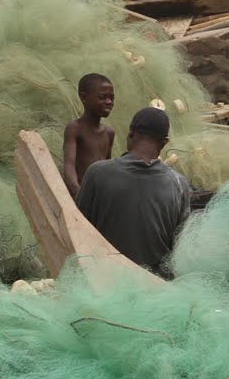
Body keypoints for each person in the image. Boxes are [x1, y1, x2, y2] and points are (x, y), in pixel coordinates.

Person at [76, 106, 191, 277]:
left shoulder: (97, 173)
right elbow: (179, 246)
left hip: (102, 278)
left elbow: (78, 228)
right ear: (164, 142)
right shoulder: (179, 184)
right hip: (156, 284)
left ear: (130, 135)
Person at [62, 73, 116, 198]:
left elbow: (107, 169)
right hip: (78, 198)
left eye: (112, 98)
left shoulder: (109, 133)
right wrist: (78, 192)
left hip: (99, 198)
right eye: (102, 97)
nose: (109, 102)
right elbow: (69, 166)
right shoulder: (75, 129)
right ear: (84, 97)